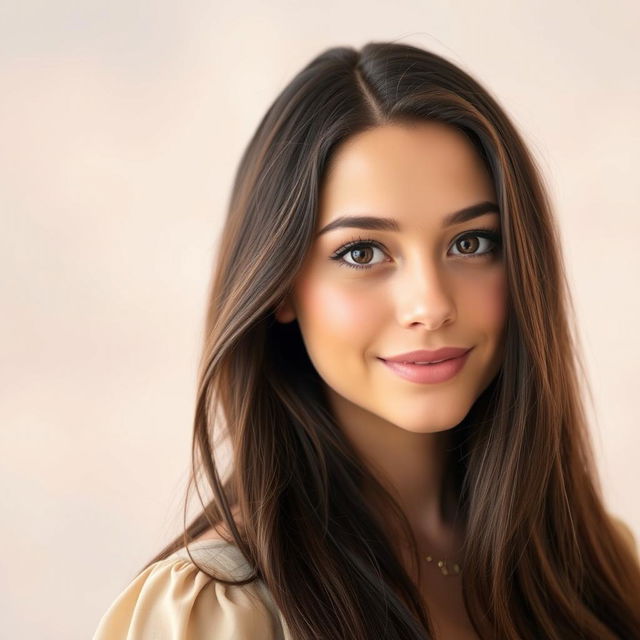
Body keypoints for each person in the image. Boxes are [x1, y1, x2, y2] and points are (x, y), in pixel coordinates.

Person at [93, 41, 640, 640]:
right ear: (280, 287)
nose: (430, 305)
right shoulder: (218, 615)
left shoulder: (596, 564)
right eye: (362, 252)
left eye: (471, 243)